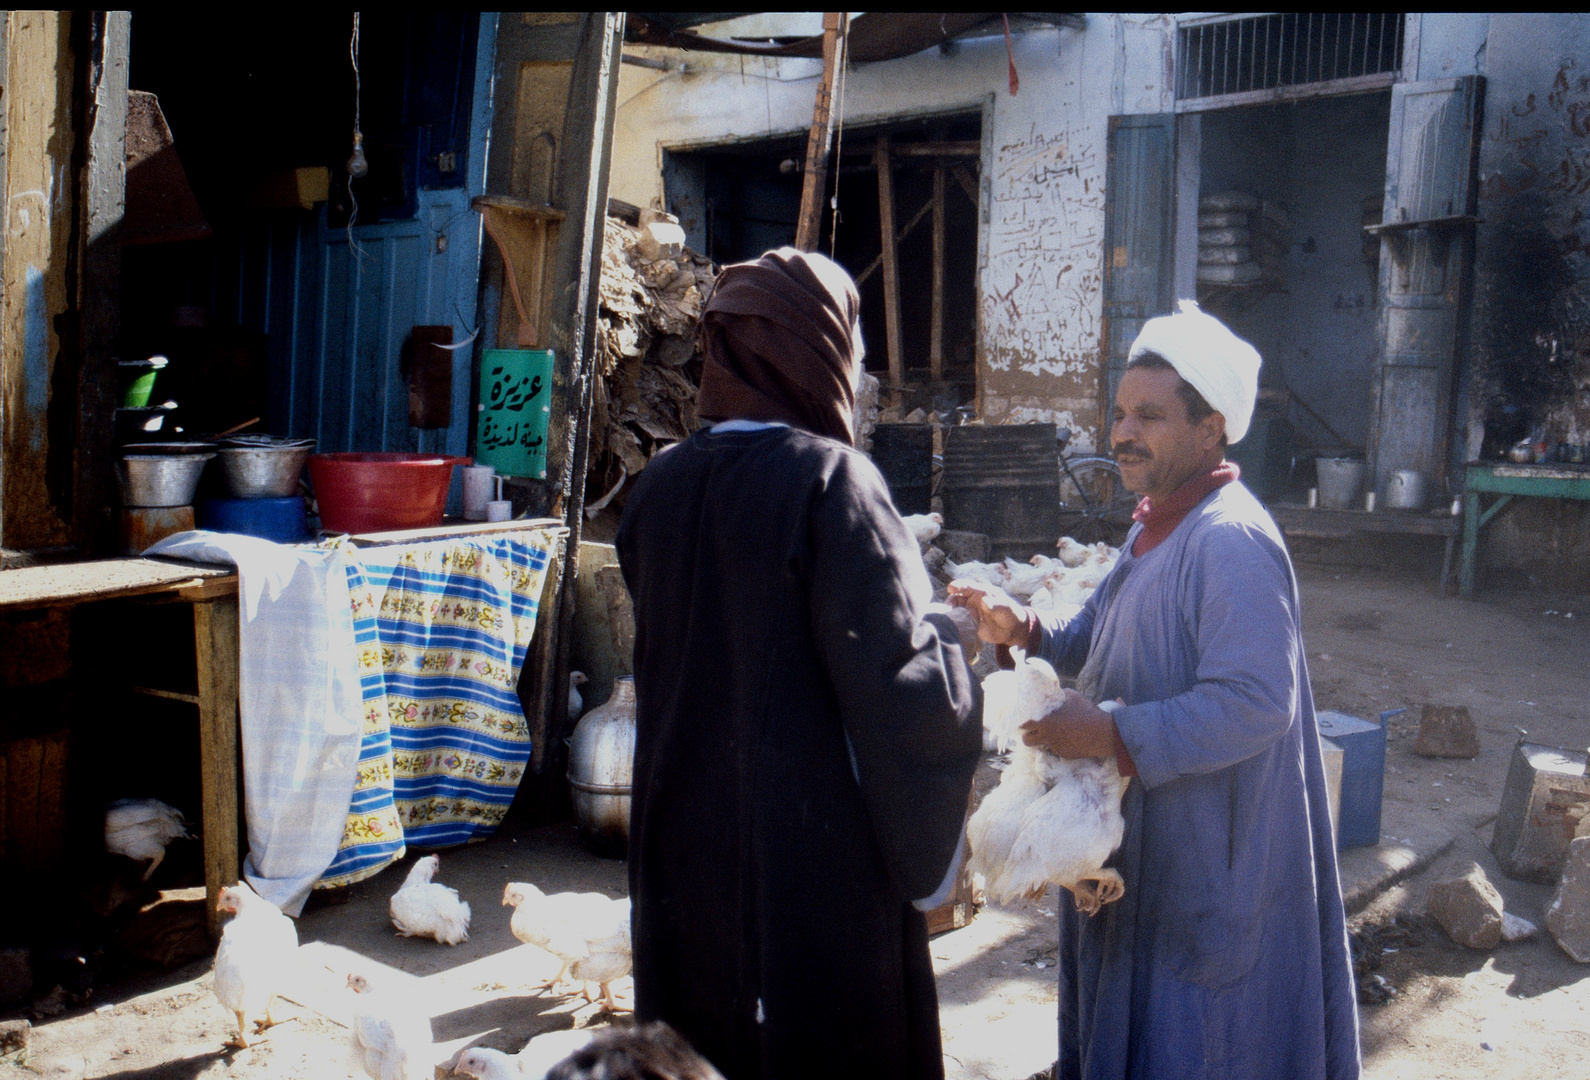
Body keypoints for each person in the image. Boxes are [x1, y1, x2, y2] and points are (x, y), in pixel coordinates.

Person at [951, 300, 1359, 1080]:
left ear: (1212, 430)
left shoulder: (1230, 541)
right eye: (1119, 413)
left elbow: (1255, 702)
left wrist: (1107, 737)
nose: (1122, 434)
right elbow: (1097, 634)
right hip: (1151, 843)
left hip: (1213, 852)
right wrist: (1023, 628)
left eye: (1150, 416)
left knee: (1202, 1035)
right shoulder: (1153, 526)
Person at [615, 247, 983, 1080]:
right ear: (816, 351)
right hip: (810, 870)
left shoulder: (659, 488)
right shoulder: (833, 483)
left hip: (683, 854)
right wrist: (957, 643)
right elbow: (905, 689)